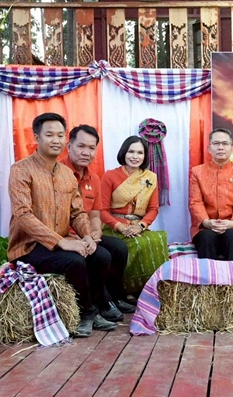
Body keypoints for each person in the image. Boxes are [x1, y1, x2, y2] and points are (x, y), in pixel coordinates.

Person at [7, 113, 117, 338]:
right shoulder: (20, 169)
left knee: (101, 256)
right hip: (29, 246)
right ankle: (85, 313)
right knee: (74, 261)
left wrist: (87, 236)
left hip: (62, 243)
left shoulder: (67, 174)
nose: (56, 140)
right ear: (36, 137)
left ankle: (96, 307)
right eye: (50, 135)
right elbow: (23, 215)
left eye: (60, 135)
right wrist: (61, 241)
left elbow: (77, 212)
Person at [61, 125, 136, 322]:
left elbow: (95, 214)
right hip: (64, 237)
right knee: (101, 255)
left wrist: (96, 232)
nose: (86, 152)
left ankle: (114, 297)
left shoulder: (94, 178)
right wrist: (80, 238)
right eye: (81, 146)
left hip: (86, 234)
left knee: (119, 248)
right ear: (69, 146)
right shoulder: (58, 173)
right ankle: (100, 303)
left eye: (91, 148)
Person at [100, 136, 167, 294]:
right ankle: (125, 290)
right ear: (124, 152)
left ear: (145, 156)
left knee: (157, 240)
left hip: (137, 226)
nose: (135, 156)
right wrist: (120, 227)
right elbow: (102, 210)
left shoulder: (150, 177)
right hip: (113, 226)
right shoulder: (110, 176)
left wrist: (141, 226)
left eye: (140, 153)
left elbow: (153, 209)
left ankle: (148, 290)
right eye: (131, 151)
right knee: (135, 244)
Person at [190, 128, 233, 260]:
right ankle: (207, 274)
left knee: (232, 236)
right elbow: (195, 202)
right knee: (207, 237)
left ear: (232, 148)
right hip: (205, 227)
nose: (220, 147)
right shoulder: (197, 172)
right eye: (216, 143)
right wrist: (207, 222)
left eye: (225, 143)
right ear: (209, 148)